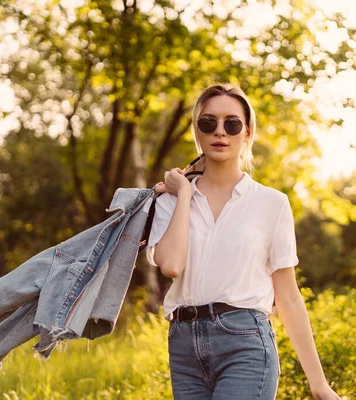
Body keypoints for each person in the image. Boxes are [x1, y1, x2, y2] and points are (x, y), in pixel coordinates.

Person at [147, 83, 341, 400]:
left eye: (232, 123)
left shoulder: (272, 204)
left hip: (244, 341)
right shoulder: (170, 200)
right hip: (183, 345)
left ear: (247, 133)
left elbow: (288, 296)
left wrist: (318, 384)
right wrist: (183, 193)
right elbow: (170, 265)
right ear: (196, 132)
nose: (219, 132)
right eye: (208, 123)